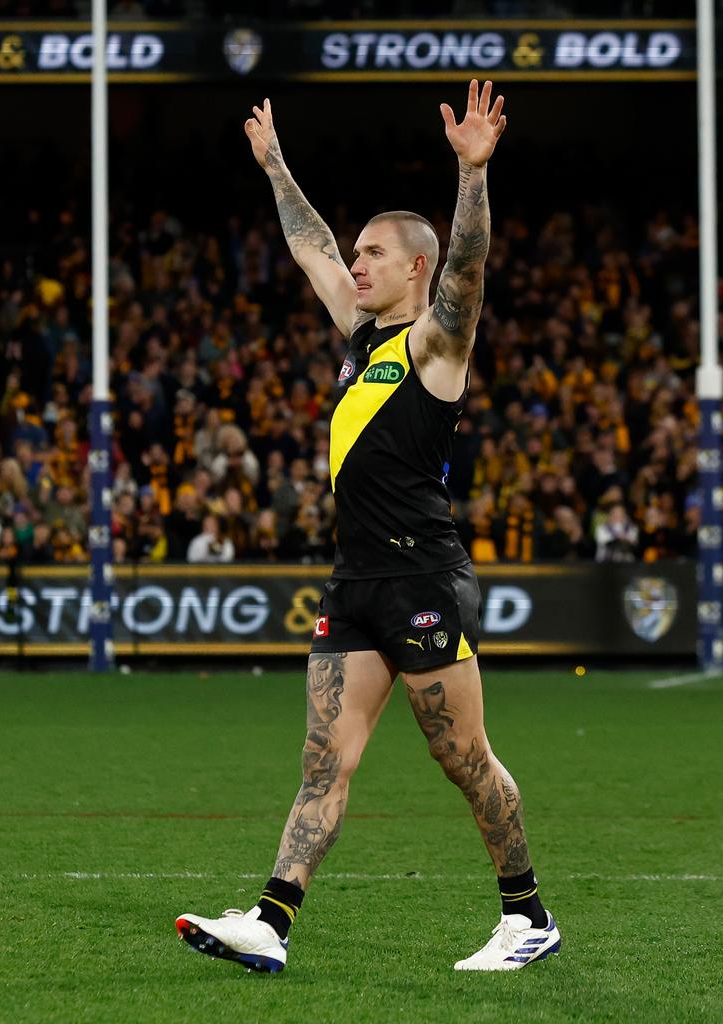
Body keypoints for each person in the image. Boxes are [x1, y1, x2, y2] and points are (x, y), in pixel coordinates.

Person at [176, 80, 560, 974]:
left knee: (465, 759)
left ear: (414, 269)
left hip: (422, 576)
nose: (356, 264)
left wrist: (472, 175)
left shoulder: (436, 343)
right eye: (359, 253)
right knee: (323, 762)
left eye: (374, 253)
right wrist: (275, 166)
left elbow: (468, 268)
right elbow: (307, 245)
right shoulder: (359, 339)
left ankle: (528, 917)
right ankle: (271, 919)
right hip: (355, 583)